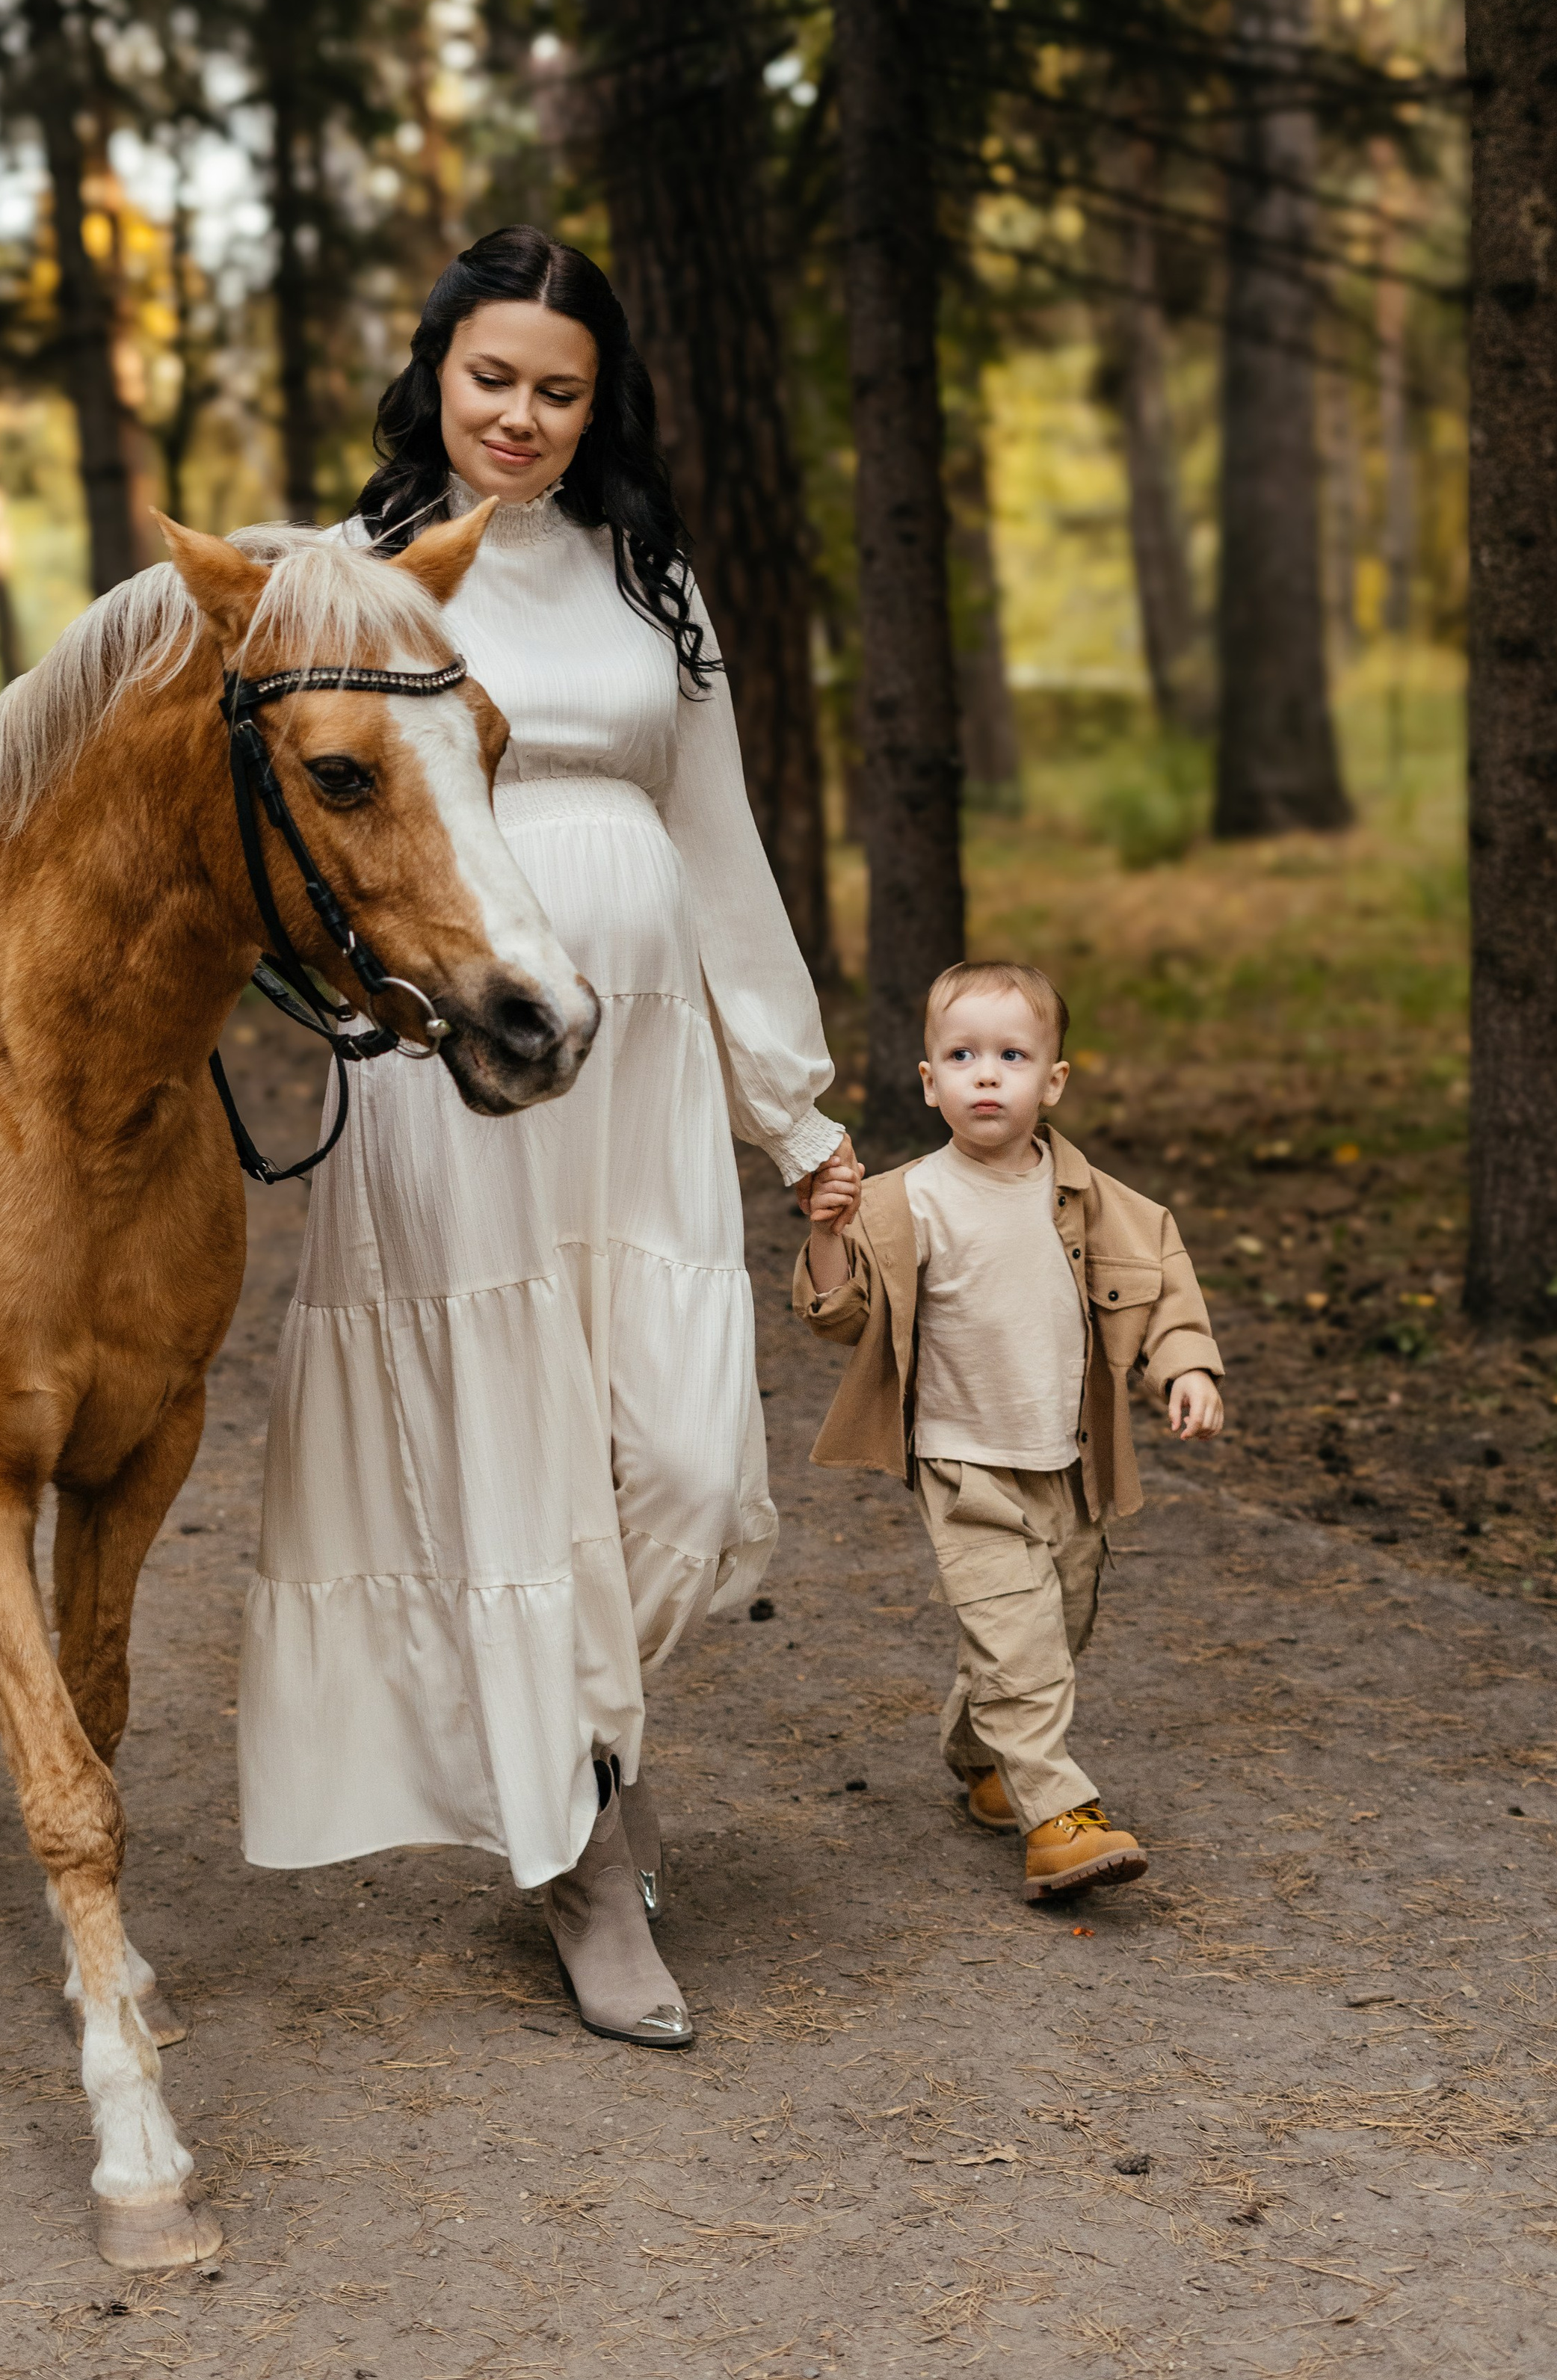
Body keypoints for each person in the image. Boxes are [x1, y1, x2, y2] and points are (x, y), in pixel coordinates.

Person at [240, 227, 851, 2047]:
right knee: (502, 1450)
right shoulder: (344, 575)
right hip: (454, 1065)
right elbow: (284, 820)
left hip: (644, 1067)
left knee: (672, 1458)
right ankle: (582, 1850)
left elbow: (722, 841)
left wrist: (792, 1107)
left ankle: (584, 1748)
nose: (519, 414)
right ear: (433, 370)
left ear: (602, 407)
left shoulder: (648, 575)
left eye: (557, 388)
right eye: (490, 375)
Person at [792, 960, 1223, 1900]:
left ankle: (984, 1759)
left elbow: (1163, 1294)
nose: (986, 1075)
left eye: (1012, 1055)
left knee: (1056, 1631)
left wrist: (1185, 1366)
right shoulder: (901, 1202)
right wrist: (826, 1233)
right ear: (928, 1081)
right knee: (1017, 1642)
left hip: (1070, 1466)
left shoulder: (1107, 1206)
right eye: (962, 1055)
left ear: (1053, 1081)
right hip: (961, 1464)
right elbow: (837, 1315)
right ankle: (1059, 1818)